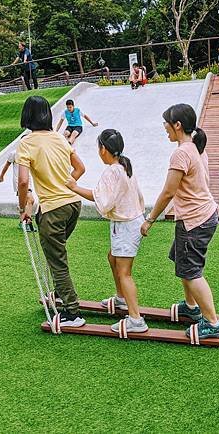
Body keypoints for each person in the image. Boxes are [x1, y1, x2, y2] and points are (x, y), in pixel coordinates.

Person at [140, 103, 219, 340]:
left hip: (195, 220)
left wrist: (150, 219)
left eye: (166, 123)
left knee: (192, 271)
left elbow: (168, 191)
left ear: (177, 125)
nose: (164, 128)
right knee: (183, 262)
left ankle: (213, 323)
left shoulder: (181, 152)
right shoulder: (196, 148)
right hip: (201, 215)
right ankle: (191, 307)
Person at [65, 129, 148, 334]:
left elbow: (101, 199)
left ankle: (136, 320)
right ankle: (121, 299)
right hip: (130, 222)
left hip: (126, 225)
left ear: (103, 149)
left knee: (124, 273)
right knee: (112, 258)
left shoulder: (112, 171)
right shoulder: (124, 165)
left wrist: (74, 187)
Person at [16, 96, 87, 327]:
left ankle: (72, 312)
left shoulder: (26, 143)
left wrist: (22, 209)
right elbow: (80, 168)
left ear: (26, 116)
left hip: (53, 209)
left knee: (57, 260)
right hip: (73, 205)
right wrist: (67, 184)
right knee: (55, 253)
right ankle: (61, 293)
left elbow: (23, 181)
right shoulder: (59, 137)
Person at [0, 147, 36, 230]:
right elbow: (7, 165)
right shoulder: (14, 153)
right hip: (19, 180)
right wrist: (1, 176)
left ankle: (23, 222)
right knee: (30, 200)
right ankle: (27, 222)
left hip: (28, 180)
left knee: (26, 201)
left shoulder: (31, 153)